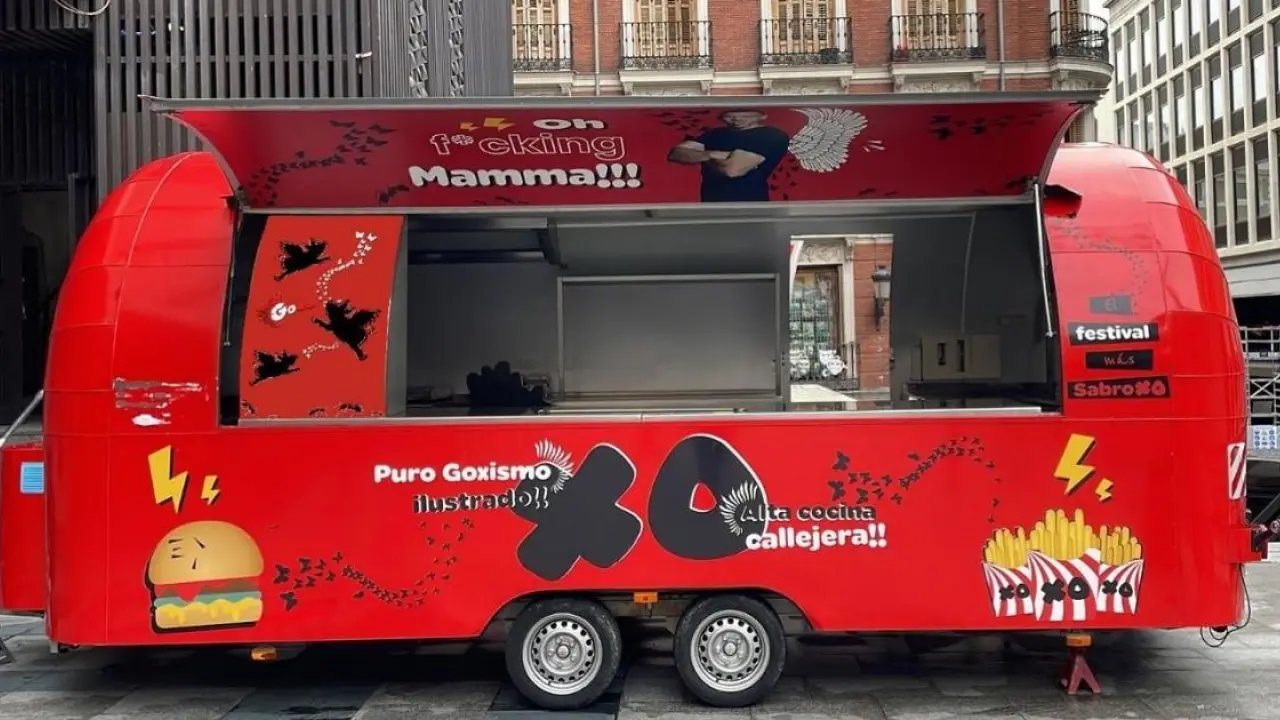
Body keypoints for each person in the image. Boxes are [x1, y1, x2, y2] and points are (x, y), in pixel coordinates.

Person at [667, 110, 792, 203]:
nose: (737, 119)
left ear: (762, 116)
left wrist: (701, 156)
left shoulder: (771, 136)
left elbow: (732, 170)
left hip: (749, 206)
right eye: (730, 116)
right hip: (711, 204)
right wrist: (714, 154)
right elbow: (676, 154)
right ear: (721, 117)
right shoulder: (715, 134)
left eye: (746, 115)